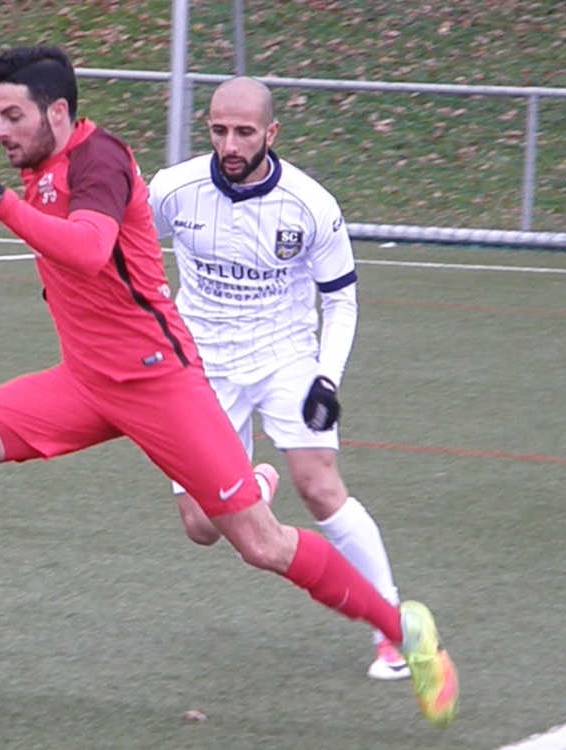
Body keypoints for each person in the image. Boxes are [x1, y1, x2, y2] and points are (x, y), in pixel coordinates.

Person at [0, 46, 458, 729]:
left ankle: (406, 631)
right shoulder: (44, 167)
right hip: (85, 382)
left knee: (261, 545)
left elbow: (88, 249)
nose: (1, 130)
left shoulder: (99, 159)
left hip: (160, 384)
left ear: (57, 112)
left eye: (13, 116)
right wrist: (19, 210)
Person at [147, 76, 407, 682]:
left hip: (285, 357)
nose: (230, 145)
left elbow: (340, 300)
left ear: (271, 132)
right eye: (219, 131)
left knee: (319, 487)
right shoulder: (172, 190)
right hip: (200, 367)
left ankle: (391, 627)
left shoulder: (311, 204)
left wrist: (327, 380)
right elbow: (121, 246)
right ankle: (253, 484)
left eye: (244, 132)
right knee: (201, 529)